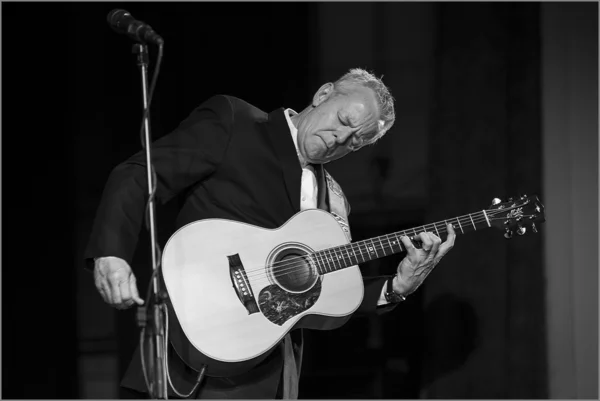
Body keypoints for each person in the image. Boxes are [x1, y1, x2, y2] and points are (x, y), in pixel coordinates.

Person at [85, 68, 456, 399]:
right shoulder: (237, 123)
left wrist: (395, 288)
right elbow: (139, 175)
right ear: (324, 94)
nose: (340, 138)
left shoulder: (336, 202)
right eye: (343, 120)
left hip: (271, 372)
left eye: (355, 141)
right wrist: (112, 253)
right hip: (190, 350)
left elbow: (321, 295)